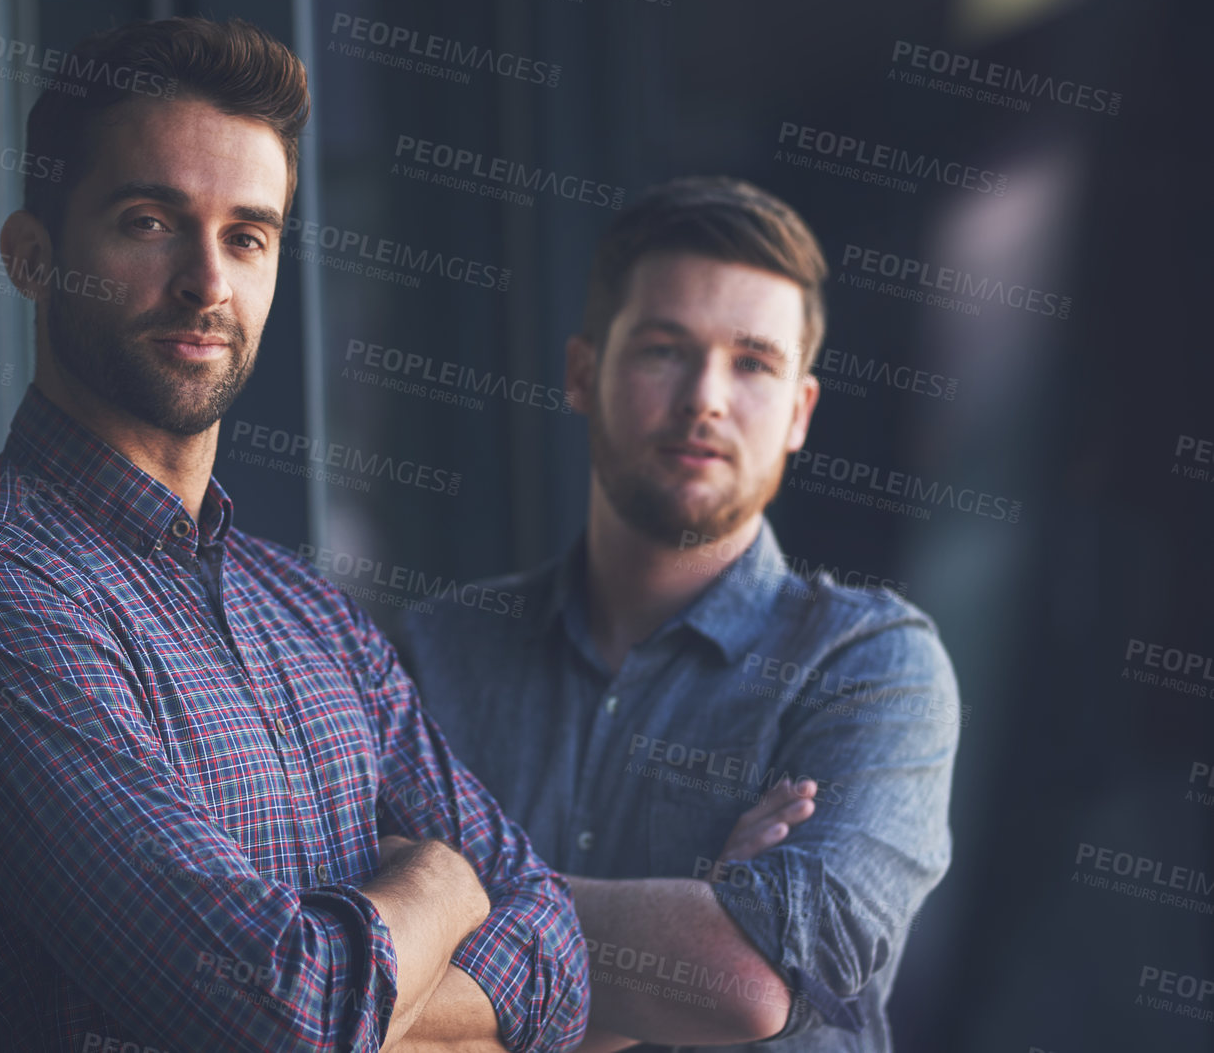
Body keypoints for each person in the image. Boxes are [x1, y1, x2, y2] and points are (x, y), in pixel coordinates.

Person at [0, 15, 589, 1053]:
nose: (207, 283)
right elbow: (279, 1016)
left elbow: (557, 953)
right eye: (149, 222)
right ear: (32, 256)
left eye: (248, 235)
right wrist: (435, 881)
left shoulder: (307, 609)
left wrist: (368, 987)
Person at [394, 177, 961, 1051]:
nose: (705, 396)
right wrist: (693, 918)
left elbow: (742, 981)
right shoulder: (435, 652)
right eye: (665, 349)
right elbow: (362, 988)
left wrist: (442, 898)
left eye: (753, 362)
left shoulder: (871, 667)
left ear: (799, 412)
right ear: (583, 372)